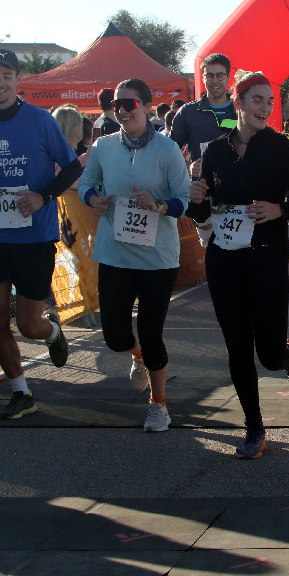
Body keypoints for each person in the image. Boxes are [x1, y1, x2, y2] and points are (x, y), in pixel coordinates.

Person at [186, 70, 289, 459]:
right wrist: (195, 195)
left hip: (267, 257)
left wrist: (280, 209)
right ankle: (254, 428)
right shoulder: (215, 151)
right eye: (257, 100)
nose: (264, 107)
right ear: (238, 103)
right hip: (224, 259)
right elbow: (200, 211)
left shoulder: (280, 148)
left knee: (268, 354)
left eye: (269, 101)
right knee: (237, 346)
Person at [0, 48, 82, 419]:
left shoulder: (40, 121)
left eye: (7, 75)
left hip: (34, 237)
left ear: (17, 80)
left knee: (27, 323)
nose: (0, 81)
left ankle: (53, 332)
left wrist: (43, 197)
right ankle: (20, 391)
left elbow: (71, 168)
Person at [79, 79, 190, 432]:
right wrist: (93, 200)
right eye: (116, 105)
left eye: (129, 104)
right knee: (114, 336)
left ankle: (158, 405)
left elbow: (184, 199)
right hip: (115, 252)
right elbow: (85, 184)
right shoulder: (103, 147)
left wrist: (157, 205)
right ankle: (138, 356)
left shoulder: (168, 149)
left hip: (157, 257)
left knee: (151, 330)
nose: (122, 111)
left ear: (145, 105)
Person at [172, 53, 237, 161]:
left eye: (220, 75)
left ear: (228, 77)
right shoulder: (187, 113)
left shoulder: (241, 111)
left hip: (236, 177)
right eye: (210, 76)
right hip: (201, 177)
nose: (215, 80)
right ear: (203, 78)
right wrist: (186, 168)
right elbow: (170, 151)